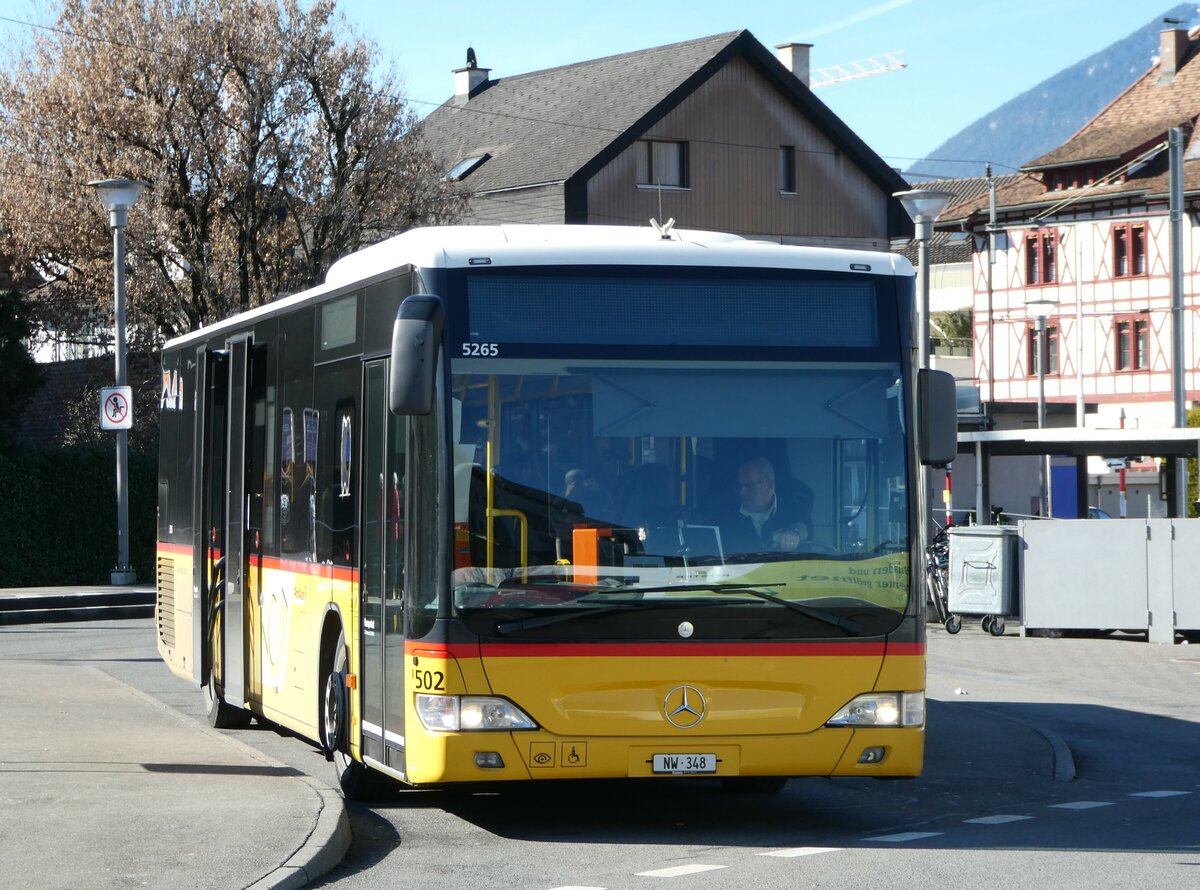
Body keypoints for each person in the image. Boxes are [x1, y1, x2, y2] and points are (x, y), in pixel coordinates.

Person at [724, 456, 811, 553]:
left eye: (748, 486)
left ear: (768, 485)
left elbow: (803, 527)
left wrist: (793, 533)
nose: (742, 492)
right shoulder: (728, 516)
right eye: (740, 486)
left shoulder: (793, 507)